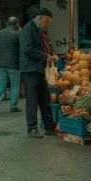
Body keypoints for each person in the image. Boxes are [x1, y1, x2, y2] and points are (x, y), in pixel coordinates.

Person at [19, 8, 59, 138]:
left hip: (40, 69)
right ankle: (32, 128)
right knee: (32, 100)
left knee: (45, 98)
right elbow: (27, 48)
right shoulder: (28, 29)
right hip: (31, 70)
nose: (47, 25)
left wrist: (52, 53)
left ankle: (49, 126)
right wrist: (44, 56)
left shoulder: (42, 31)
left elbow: (49, 44)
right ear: (40, 19)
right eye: (47, 22)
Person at [0, 17, 21, 114]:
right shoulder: (17, 35)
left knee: (0, 84)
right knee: (14, 85)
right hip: (13, 64)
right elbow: (21, 50)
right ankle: (13, 107)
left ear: (7, 23)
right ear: (16, 25)